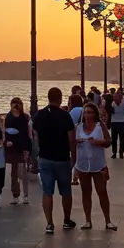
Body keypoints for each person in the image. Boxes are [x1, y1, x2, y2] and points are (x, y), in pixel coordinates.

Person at [32, 87, 76, 235]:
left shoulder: (39, 116)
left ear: (48, 97)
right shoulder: (65, 116)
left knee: (47, 191)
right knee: (66, 192)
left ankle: (49, 223)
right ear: (60, 98)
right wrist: (73, 158)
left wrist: (38, 154)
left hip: (45, 158)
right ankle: (66, 220)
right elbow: (71, 140)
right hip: (62, 158)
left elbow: (36, 137)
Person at [75, 103, 117, 231]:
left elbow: (109, 142)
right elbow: (71, 144)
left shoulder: (100, 126)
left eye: (90, 112)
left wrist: (98, 142)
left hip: (98, 165)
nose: (87, 115)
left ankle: (108, 220)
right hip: (82, 165)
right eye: (85, 112)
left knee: (102, 192)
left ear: (95, 114)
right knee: (86, 193)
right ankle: (88, 220)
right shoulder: (78, 127)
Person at [4, 97, 32, 204]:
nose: (16, 106)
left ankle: (25, 195)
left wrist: (28, 148)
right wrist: (7, 142)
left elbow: (29, 134)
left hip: (23, 147)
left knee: (23, 172)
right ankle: (15, 195)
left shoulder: (25, 118)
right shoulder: (9, 117)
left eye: (18, 104)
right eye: (14, 104)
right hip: (12, 148)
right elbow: (6, 132)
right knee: (14, 172)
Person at [109, 88, 124, 158]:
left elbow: (111, 111)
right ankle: (121, 152)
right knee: (122, 138)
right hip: (122, 121)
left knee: (114, 138)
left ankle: (114, 153)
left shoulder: (113, 103)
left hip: (114, 121)